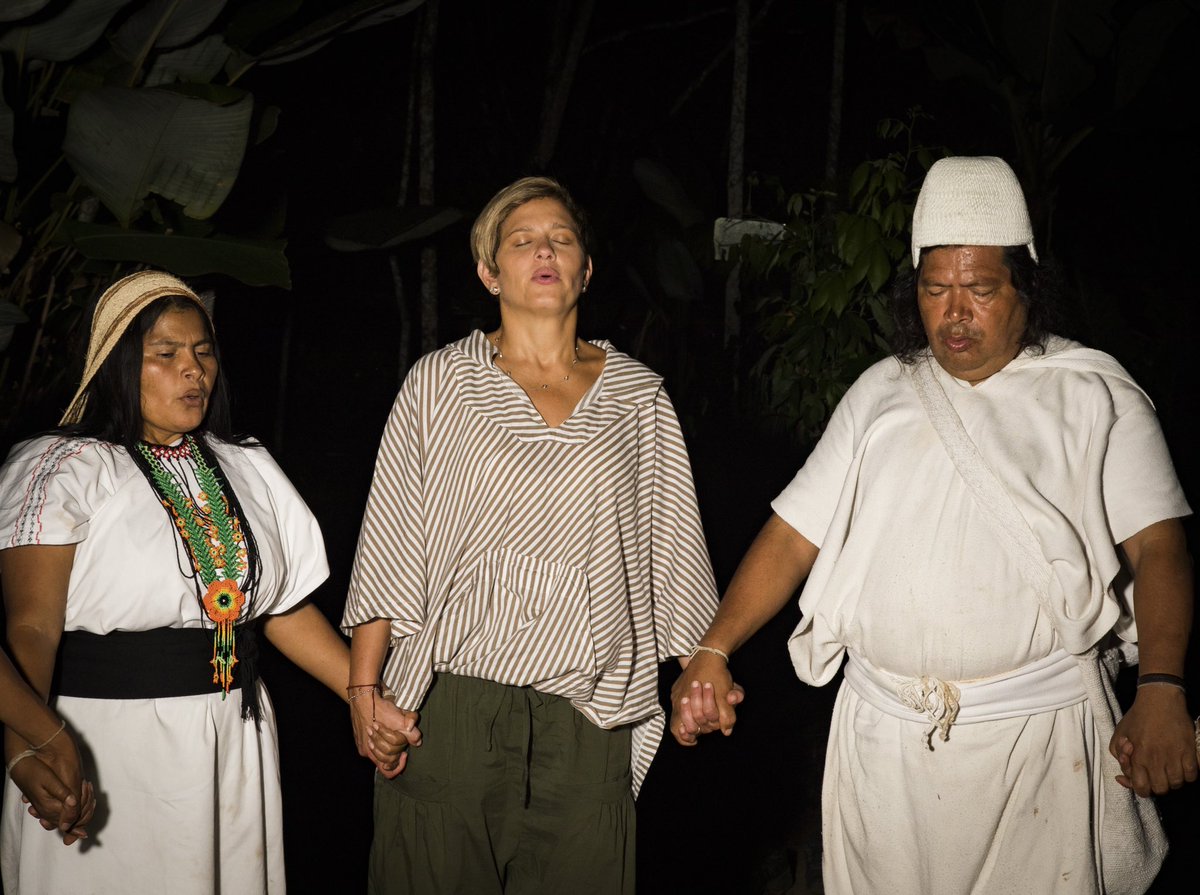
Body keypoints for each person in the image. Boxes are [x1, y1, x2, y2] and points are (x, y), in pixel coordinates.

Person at [672, 157, 1196, 894]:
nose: (954, 313)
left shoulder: (1094, 393)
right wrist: (713, 648)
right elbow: (794, 533)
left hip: (1037, 749)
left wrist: (1162, 687)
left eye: (980, 289)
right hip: (883, 751)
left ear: (1026, 288)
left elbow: (1160, 545)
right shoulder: (881, 394)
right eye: (934, 288)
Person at [343, 175, 720, 894]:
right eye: (522, 241)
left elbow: (674, 554)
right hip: (450, 708)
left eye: (562, 239)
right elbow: (391, 540)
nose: (544, 250)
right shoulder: (440, 384)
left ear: (586, 268)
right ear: (489, 272)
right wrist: (366, 689)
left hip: (588, 717)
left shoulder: (640, 399)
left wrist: (701, 671)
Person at [0, 270, 399, 893]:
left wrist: (363, 697)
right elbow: (32, 625)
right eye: (166, 354)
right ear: (115, 363)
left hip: (231, 736)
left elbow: (276, 607)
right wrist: (28, 744)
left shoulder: (244, 463)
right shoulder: (64, 466)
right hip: (108, 741)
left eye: (203, 351)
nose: (194, 370)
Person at [1, 649, 94, 844]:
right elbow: (32, 627)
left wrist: (24, 749)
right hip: (57, 712)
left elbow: (33, 629)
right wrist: (35, 745)